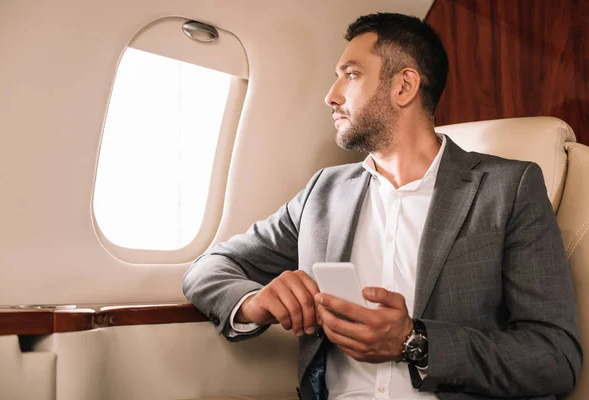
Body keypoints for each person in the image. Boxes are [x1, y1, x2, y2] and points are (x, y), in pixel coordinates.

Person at [183, 12, 582, 400]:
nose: (331, 95)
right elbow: (208, 268)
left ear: (404, 86)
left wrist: (415, 342)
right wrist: (254, 302)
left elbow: (555, 356)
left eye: (351, 74)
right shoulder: (325, 191)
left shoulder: (508, 188)